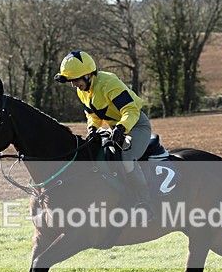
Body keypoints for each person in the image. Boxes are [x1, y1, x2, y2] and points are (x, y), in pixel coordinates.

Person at [54, 50, 155, 220]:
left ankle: (146, 202)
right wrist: (93, 128)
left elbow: (130, 110)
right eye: (71, 81)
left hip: (137, 125)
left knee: (125, 157)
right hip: (116, 128)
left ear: (88, 74)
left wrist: (121, 128)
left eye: (75, 80)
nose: (73, 84)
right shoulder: (83, 91)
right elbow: (92, 115)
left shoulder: (109, 83)